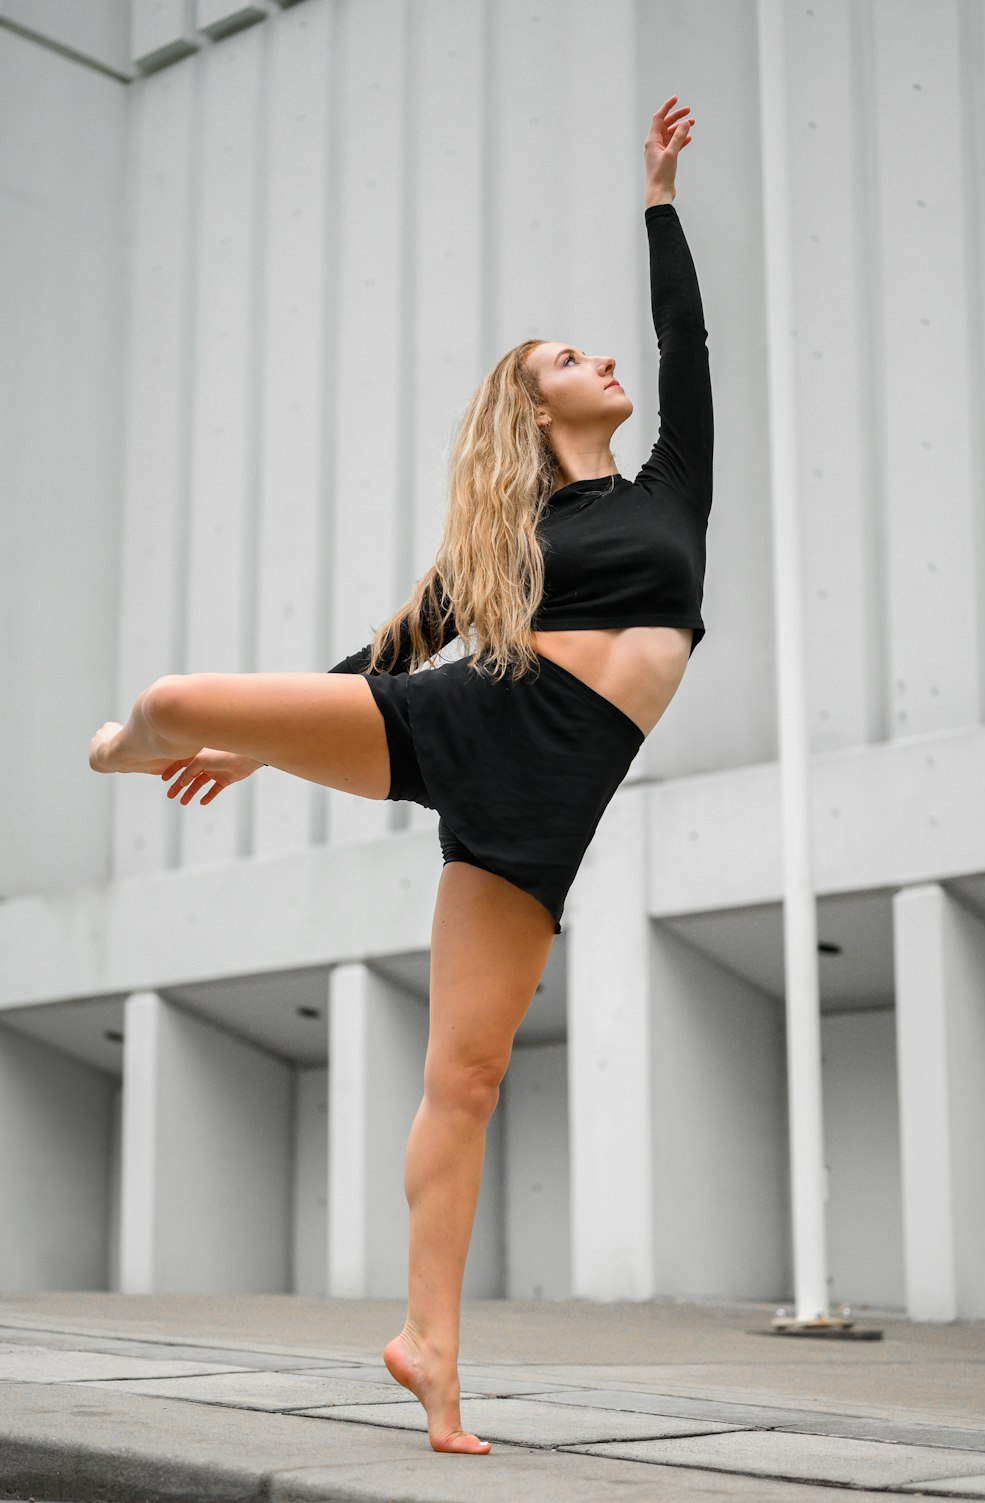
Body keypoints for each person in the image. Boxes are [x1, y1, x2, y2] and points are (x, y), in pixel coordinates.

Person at [88, 95, 712, 1455]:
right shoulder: (507, 546)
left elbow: (685, 340)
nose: (601, 357)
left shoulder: (673, 487)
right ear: (533, 401)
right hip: (484, 723)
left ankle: (429, 1349)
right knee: (177, 700)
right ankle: (136, 741)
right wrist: (262, 746)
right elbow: (386, 654)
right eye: (566, 353)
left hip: (554, 807)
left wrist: (658, 196)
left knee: (467, 1078)